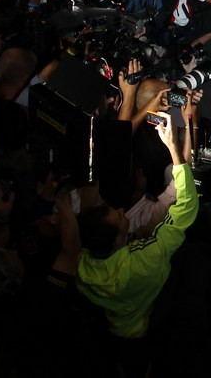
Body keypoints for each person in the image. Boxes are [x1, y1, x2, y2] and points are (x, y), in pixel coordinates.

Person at [77, 113, 198, 342]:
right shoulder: (146, 259)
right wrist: (173, 146)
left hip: (115, 323)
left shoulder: (82, 265)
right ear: (116, 240)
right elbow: (186, 206)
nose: (123, 212)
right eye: (120, 218)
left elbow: (88, 201)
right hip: (144, 326)